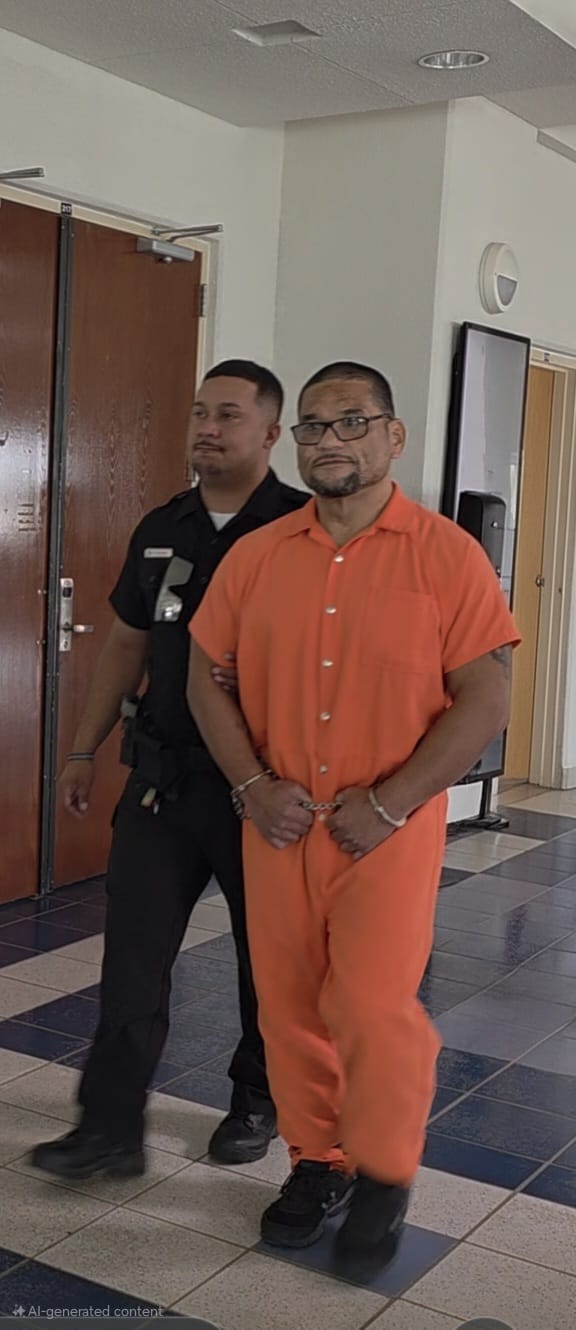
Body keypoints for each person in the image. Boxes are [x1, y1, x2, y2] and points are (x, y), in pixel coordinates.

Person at [186, 361, 520, 1281]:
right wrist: (252, 785)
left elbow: (485, 696)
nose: (331, 441)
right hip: (279, 822)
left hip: (387, 831)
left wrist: (392, 802)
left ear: (393, 437)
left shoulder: (445, 554)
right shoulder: (255, 557)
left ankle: (382, 1168)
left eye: (353, 423)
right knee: (289, 1008)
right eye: (314, 427)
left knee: (371, 1005)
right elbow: (203, 679)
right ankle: (316, 1163)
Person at [32, 359, 308, 1181]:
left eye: (227, 415)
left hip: (259, 789)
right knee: (132, 959)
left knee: (270, 962)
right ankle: (110, 1128)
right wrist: (81, 749)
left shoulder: (301, 530)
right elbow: (125, 642)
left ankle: (256, 1102)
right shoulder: (163, 526)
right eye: (198, 414)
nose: (206, 429)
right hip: (163, 783)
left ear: (269, 433)